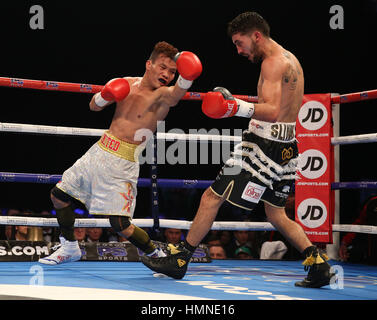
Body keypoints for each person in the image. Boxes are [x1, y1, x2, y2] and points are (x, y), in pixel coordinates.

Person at [141, 12, 333, 288]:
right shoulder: (290, 59)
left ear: (256, 35)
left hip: (262, 146)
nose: (238, 50)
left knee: (211, 197)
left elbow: (272, 111)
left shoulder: (273, 63)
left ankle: (179, 260)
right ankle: (318, 265)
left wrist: (234, 107)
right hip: (288, 146)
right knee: (276, 213)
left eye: (239, 42)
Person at [39, 41, 202, 265]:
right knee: (59, 195)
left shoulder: (163, 95)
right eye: (163, 67)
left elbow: (176, 95)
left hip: (124, 160)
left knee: (120, 224)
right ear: (149, 64)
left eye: (173, 72)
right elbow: (93, 106)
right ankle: (69, 247)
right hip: (100, 150)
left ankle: (158, 255)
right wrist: (106, 95)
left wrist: (188, 77)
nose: (167, 74)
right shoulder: (125, 83)